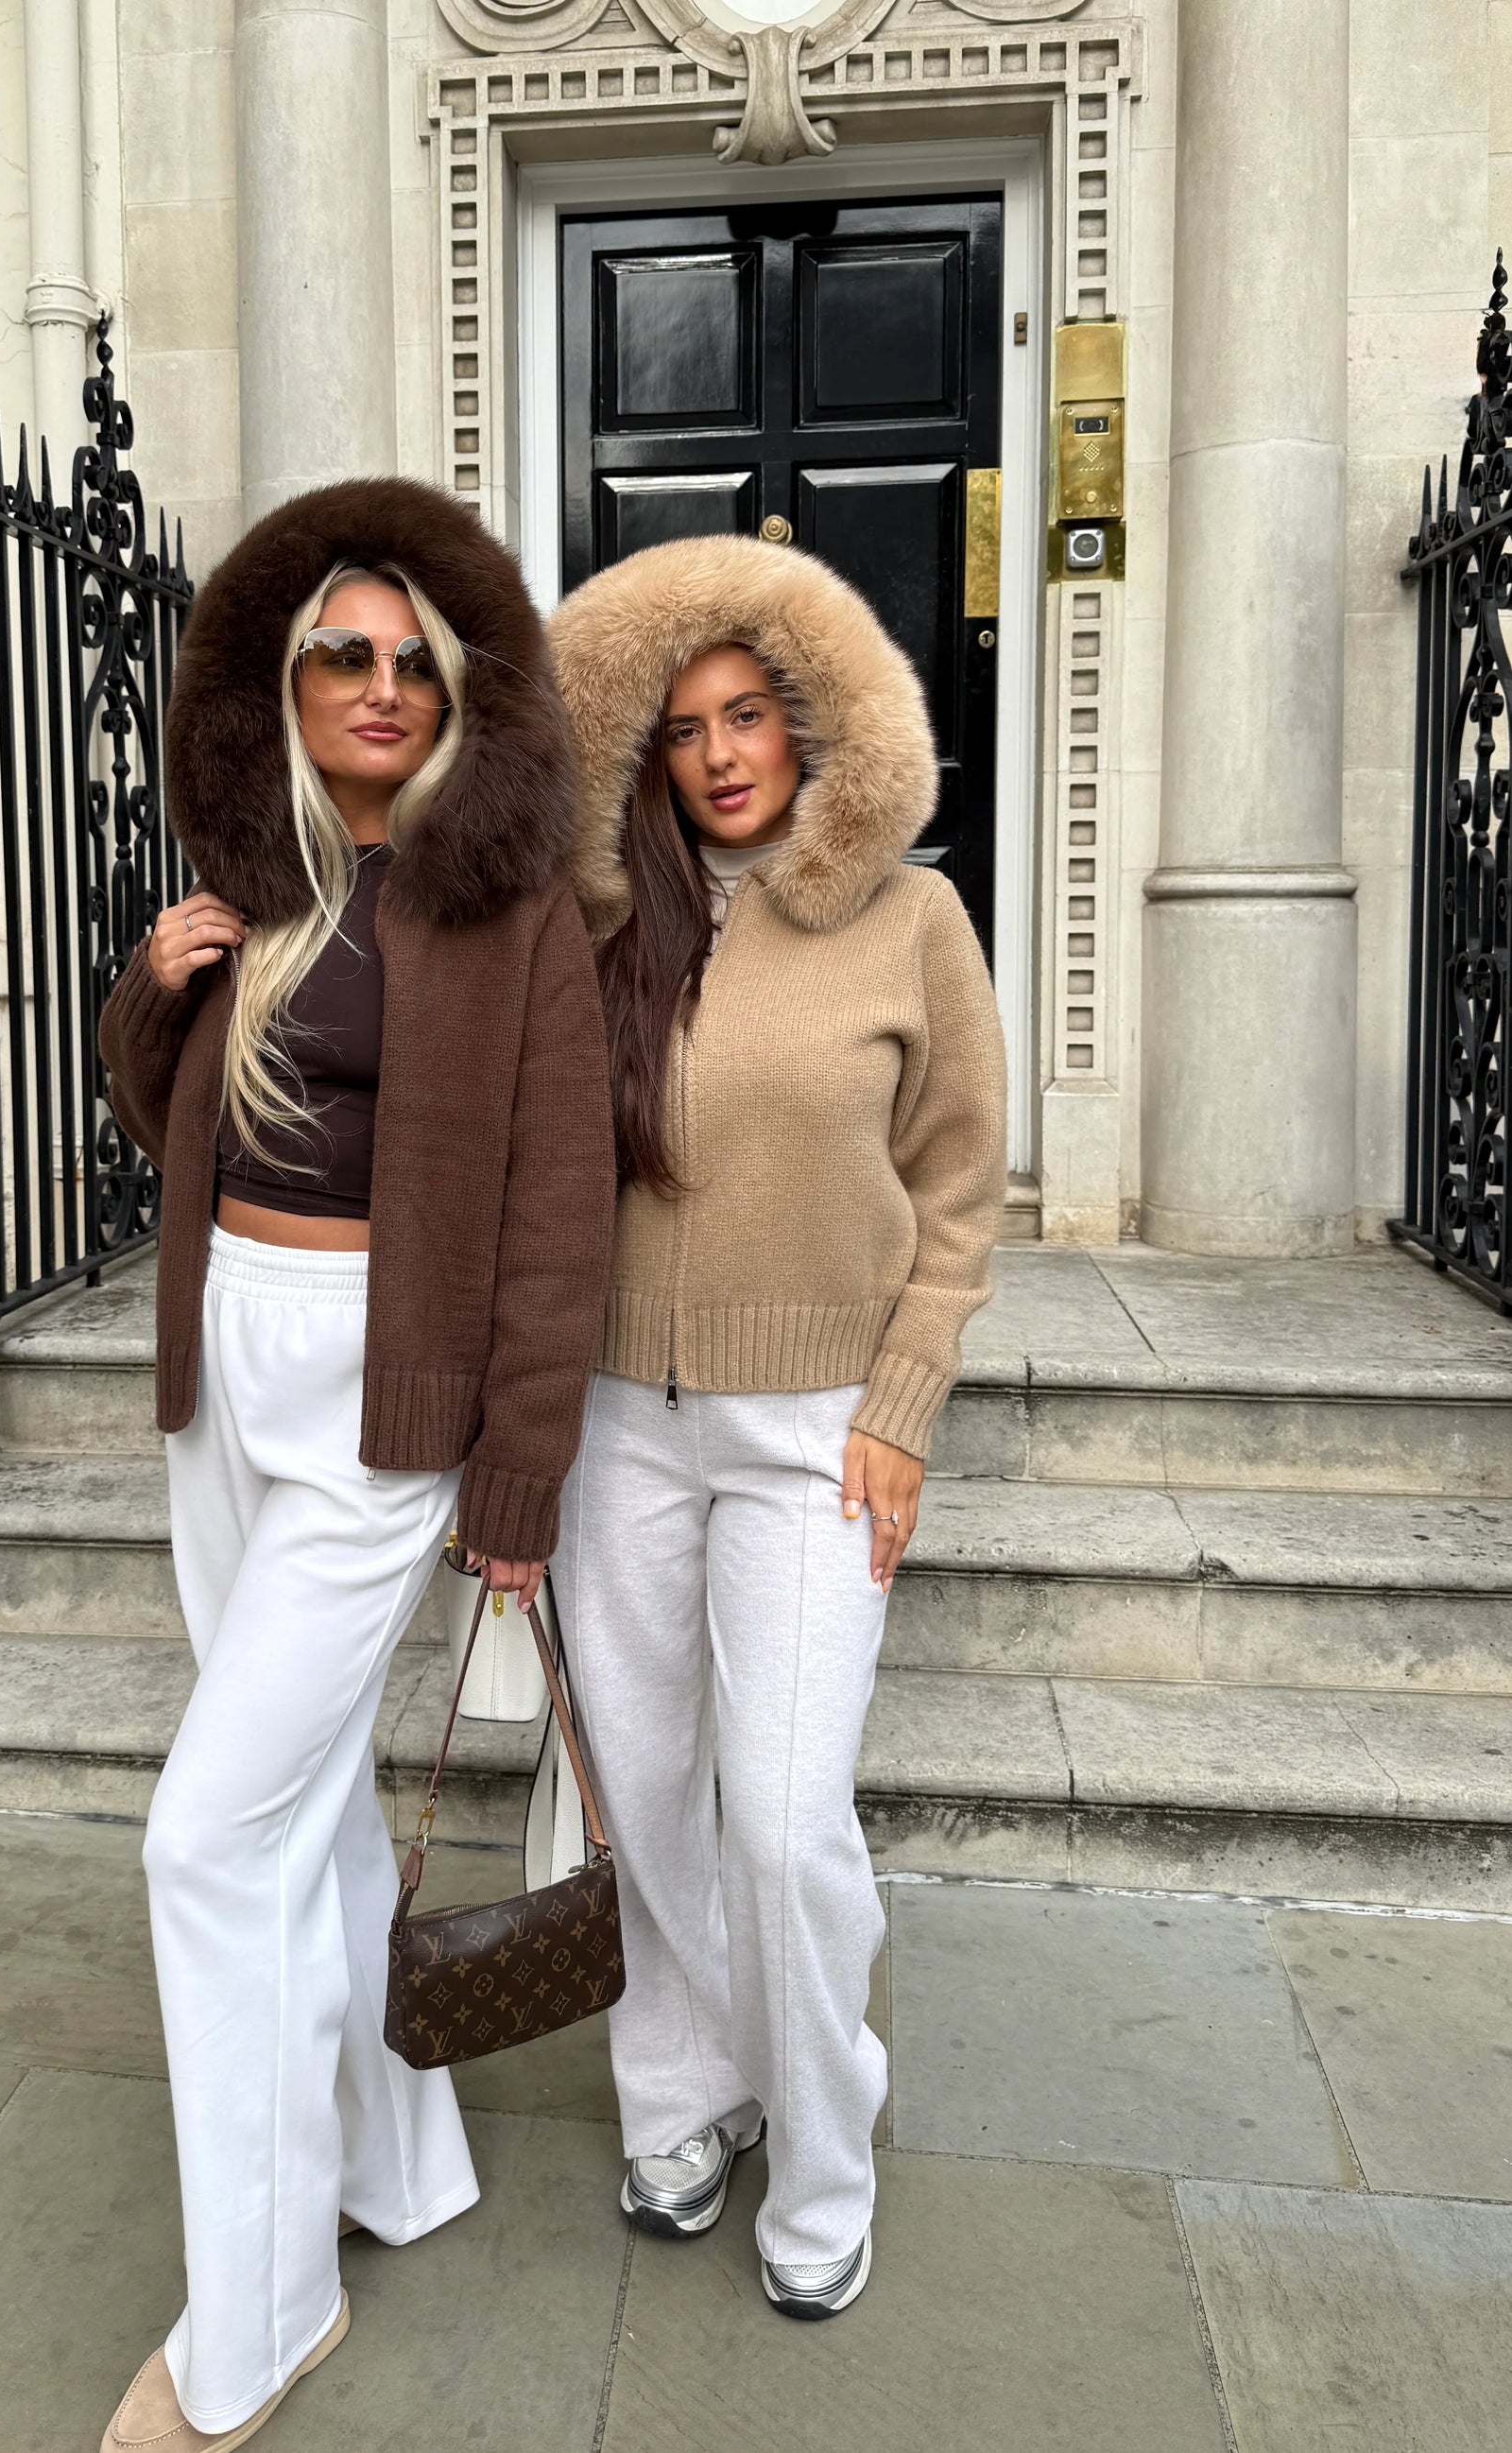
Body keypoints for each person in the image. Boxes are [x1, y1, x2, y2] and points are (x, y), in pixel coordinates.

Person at [94, 479, 612, 2452]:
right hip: (225, 1365)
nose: (381, 686)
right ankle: (400, 2161)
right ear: (287, 684)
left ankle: (260, 2314)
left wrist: (520, 1473)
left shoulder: (510, 906)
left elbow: (558, 1207)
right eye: (343, 654)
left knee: (205, 1838)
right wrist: (155, 987)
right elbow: (171, 1124)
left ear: (458, 692)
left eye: (414, 661)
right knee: (299, 1810)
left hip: (385, 1400)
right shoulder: (263, 876)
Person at [546, 534, 1006, 2322]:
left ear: (814, 724)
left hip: (815, 1428)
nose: (720, 752)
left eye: (748, 713)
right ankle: (685, 2093)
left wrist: (901, 1405)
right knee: (648, 1798)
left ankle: (824, 2149)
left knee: (789, 1818)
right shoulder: (598, 924)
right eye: (679, 727)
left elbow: (956, 1190)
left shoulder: (911, 919)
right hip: (615, 1426)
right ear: (641, 752)